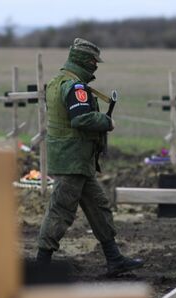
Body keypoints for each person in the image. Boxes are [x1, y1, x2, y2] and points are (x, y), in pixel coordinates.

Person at [36, 38, 144, 277]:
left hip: (77, 161)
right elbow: (80, 119)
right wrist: (107, 122)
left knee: (98, 207)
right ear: (86, 61)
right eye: (94, 61)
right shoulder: (75, 87)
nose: (96, 65)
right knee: (60, 211)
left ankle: (114, 259)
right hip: (72, 161)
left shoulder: (57, 82)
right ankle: (40, 267)